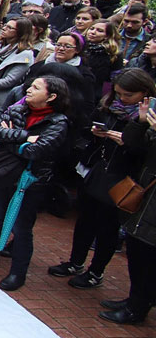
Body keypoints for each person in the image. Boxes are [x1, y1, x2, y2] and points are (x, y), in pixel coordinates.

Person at [48, 69, 156, 288]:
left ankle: (96, 271)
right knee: (85, 220)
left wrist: (132, 133)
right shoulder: (110, 106)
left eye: (128, 95)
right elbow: (89, 127)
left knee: (107, 228)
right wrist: (96, 133)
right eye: (118, 94)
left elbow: (144, 151)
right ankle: (75, 261)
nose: (122, 99)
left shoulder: (148, 116)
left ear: (143, 93)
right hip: (99, 169)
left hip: (125, 178)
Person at [0, 77, 70, 291]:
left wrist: (7, 140)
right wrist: (24, 137)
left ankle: (18, 273)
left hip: (30, 181)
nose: (28, 90)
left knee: (21, 227)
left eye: (36, 88)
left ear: (52, 97)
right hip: (4, 174)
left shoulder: (59, 123)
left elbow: (35, 151)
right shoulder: (18, 109)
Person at [105, 98, 156, 324]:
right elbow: (135, 145)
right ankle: (134, 300)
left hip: (152, 204)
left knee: (148, 257)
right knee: (136, 250)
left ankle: (138, 308)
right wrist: (141, 122)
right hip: (146, 194)